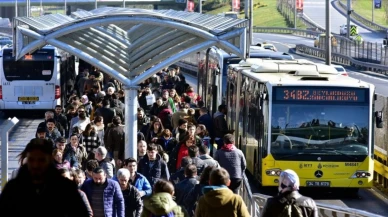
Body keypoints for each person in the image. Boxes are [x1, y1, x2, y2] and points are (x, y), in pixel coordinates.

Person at [0, 138, 89, 217]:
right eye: (32, 159)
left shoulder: (65, 188)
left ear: (49, 159)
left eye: (41, 160)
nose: (36, 165)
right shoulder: (13, 188)